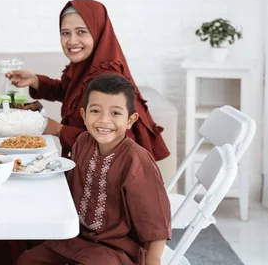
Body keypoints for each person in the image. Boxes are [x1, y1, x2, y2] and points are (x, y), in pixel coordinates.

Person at [18, 74, 171, 265]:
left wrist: (153, 261)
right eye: (95, 111)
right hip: (77, 238)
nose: (104, 120)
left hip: (115, 249)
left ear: (130, 120)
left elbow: (154, 222)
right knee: (28, 260)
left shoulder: (136, 160)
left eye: (115, 113)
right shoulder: (82, 142)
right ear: (84, 115)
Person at [7, 0, 169, 160]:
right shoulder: (87, 64)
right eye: (65, 33)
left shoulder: (107, 78)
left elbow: (114, 144)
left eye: (81, 31)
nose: (72, 41)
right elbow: (71, 93)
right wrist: (35, 80)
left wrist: (59, 129)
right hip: (82, 162)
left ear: (98, 32)